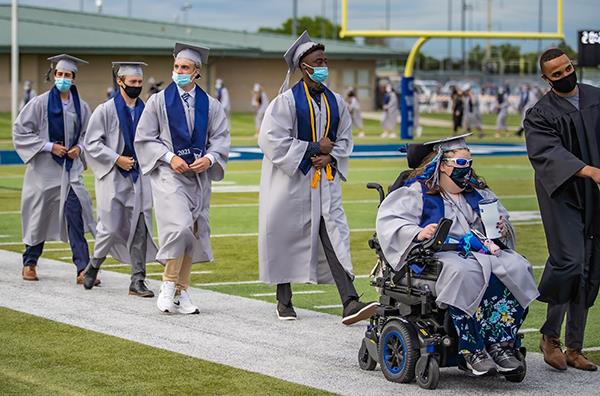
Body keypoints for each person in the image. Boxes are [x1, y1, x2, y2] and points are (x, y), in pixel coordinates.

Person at [376, 134, 539, 376]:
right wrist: (419, 232)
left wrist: (503, 227)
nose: (467, 170)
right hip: (439, 255)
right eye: (461, 164)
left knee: (517, 266)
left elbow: (498, 222)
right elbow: (389, 221)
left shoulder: (478, 191)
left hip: (481, 250)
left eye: (469, 164)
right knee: (464, 272)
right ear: (442, 165)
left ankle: (500, 344)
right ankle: (471, 350)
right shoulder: (417, 191)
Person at [258, 31, 378, 324]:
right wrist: (313, 148)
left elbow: (345, 138)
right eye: (317, 61)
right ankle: (283, 300)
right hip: (290, 183)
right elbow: (271, 140)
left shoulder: (336, 101)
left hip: (324, 181)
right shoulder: (285, 103)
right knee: (285, 236)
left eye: (325, 60)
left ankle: (349, 301)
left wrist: (331, 156)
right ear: (304, 66)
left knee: (333, 235)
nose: (323, 65)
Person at [135, 43, 230, 314]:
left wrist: (210, 159)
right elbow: (144, 138)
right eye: (176, 67)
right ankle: (168, 285)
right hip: (169, 174)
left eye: (185, 68)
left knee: (193, 231)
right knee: (179, 227)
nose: (179, 72)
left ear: (197, 71)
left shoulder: (210, 105)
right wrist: (168, 157)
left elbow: (220, 140)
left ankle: (181, 291)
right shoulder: (158, 102)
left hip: (198, 177)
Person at [524, 47, 600, 372]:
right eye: (556, 74)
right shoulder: (539, 113)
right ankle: (549, 336)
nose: (565, 75)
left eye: (567, 68)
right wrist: (589, 170)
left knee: (590, 265)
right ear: (546, 79)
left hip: (594, 191)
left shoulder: (597, 98)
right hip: (562, 193)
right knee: (570, 262)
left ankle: (575, 348)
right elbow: (547, 153)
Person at [12, 54, 96, 284]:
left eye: (67, 75)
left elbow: (89, 135)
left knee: (74, 215)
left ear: (73, 78)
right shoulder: (39, 103)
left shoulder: (82, 107)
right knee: (39, 216)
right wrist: (49, 147)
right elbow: (20, 131)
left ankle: (82, 268)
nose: (63, 79)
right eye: (59, 74)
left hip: (70, 171)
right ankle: (30, 263)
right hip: (43, 172)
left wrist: (79, 147)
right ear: (54, 76)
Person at [82, 62, 158, 297]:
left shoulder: (148, 110)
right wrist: (116, 159)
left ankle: (137, 280)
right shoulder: (105, 110)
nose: (136, 86)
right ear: (120, 81)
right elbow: (92, 142)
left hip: (140, 177)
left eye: (139, 83)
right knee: (110, 227)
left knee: (141, 227)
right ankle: (93, 265)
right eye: (132, 82)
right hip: (114, 176)